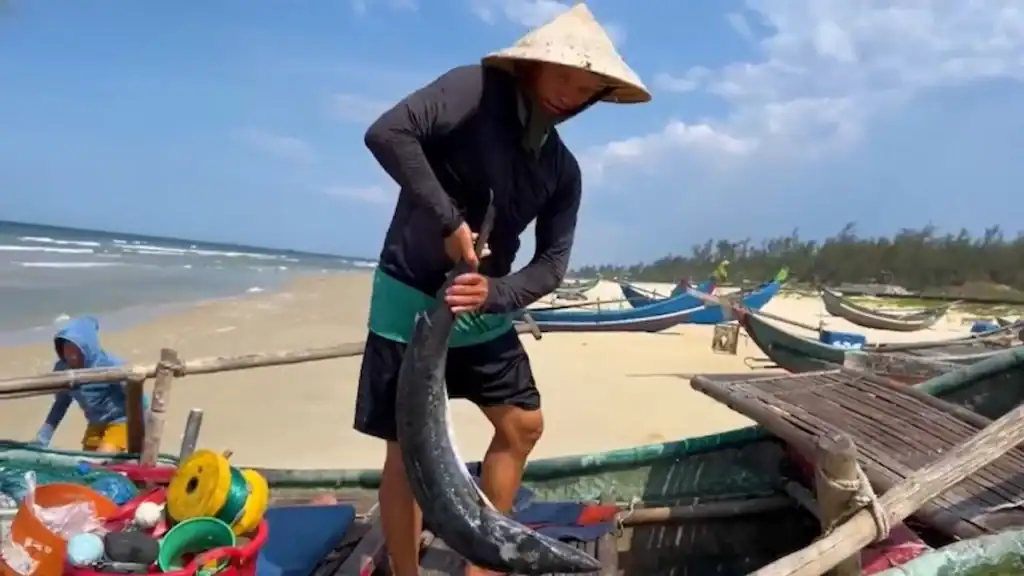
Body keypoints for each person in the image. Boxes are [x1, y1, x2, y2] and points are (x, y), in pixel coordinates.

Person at [353, 4, 650, 575]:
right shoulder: (474, 89)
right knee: (407, 445)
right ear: (533, 67)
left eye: (586, 88)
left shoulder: (562, 170)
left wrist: (498, 294)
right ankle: (406, 570)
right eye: (563, 76)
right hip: (409, 296)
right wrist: (447, 220)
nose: (570, 95)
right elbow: (387, 132)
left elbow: (553, 264)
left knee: (522, 425)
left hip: (482, 306)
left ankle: (483, 561)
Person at [34, 316, 137, 453]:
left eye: (76, 351)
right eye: (67, 351)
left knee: (102, 459)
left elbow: (138, 398)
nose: (72, 357)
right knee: (86, 464)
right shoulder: (64, 370)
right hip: (95, 423)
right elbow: (61, 404)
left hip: (121, 420)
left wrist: (143, 428)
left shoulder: (111, 367)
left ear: (87, 348)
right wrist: (43, 437)